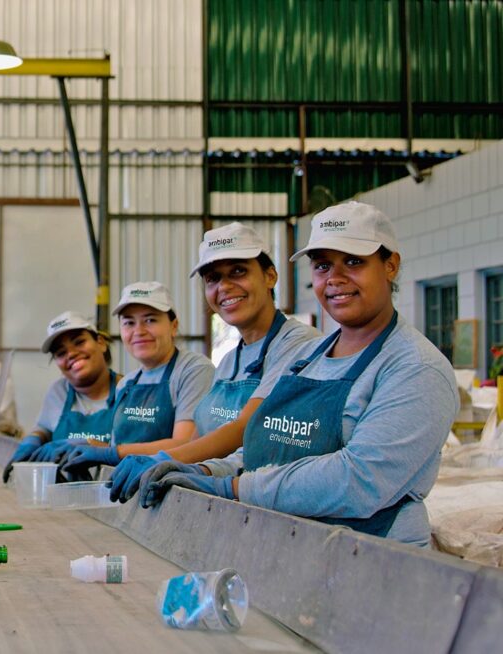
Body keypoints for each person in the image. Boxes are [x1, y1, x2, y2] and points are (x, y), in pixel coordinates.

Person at [138, 202, 457, 547]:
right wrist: (208, 471)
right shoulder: (307, 357)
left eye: (353, 261)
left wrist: (230, 487)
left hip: (374, 562)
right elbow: (266, 447)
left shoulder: (416, 368)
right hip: (296, 546)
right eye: (322, 266)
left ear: (390, 265)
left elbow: (360, 480)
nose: (334, 279)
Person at [105, 224, 319, 502]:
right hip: (218, 499)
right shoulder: (230, 359)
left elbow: (248, 427)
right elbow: (197, 436)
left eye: (238, 271)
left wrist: (162, 458)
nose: (224, 287)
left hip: (264, 502)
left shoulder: (299, 343)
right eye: (212, 278)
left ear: (270, 276)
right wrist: (176, 466)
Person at [59, 282, 215, 479]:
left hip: (174, 489)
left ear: (173, 326)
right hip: (128, 485)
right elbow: (119, 446)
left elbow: (184, 444)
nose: (138, 331)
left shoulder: (194, 370)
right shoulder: (127, 383)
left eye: (150, 320)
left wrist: (111, 453)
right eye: (129, 323)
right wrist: (87, 446)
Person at [1, 311, 120, 483]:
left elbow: (133, 451)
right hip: (65, 499)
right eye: (61, 353)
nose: (71, 354)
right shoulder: (59, 391)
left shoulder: (129, 391)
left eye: (79, 342)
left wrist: (87, 444)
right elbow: (44, 427)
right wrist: (32, 440)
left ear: (100, 343)